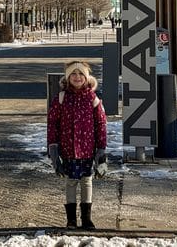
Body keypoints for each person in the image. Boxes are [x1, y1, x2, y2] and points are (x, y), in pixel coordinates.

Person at [47, 60, 107, 230]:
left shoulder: (93, 99)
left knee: (87, 181)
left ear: (87, 78)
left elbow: (101, 124)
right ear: (68, 77)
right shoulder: (61, 98)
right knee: (71, 181)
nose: (77, 77)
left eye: (81, 74)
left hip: (88, 149)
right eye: (73, 73)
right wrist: (53, 147)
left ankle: (87, 219)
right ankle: (71, 220)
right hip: (68, 149)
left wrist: (101, 149)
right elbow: (53, 123)